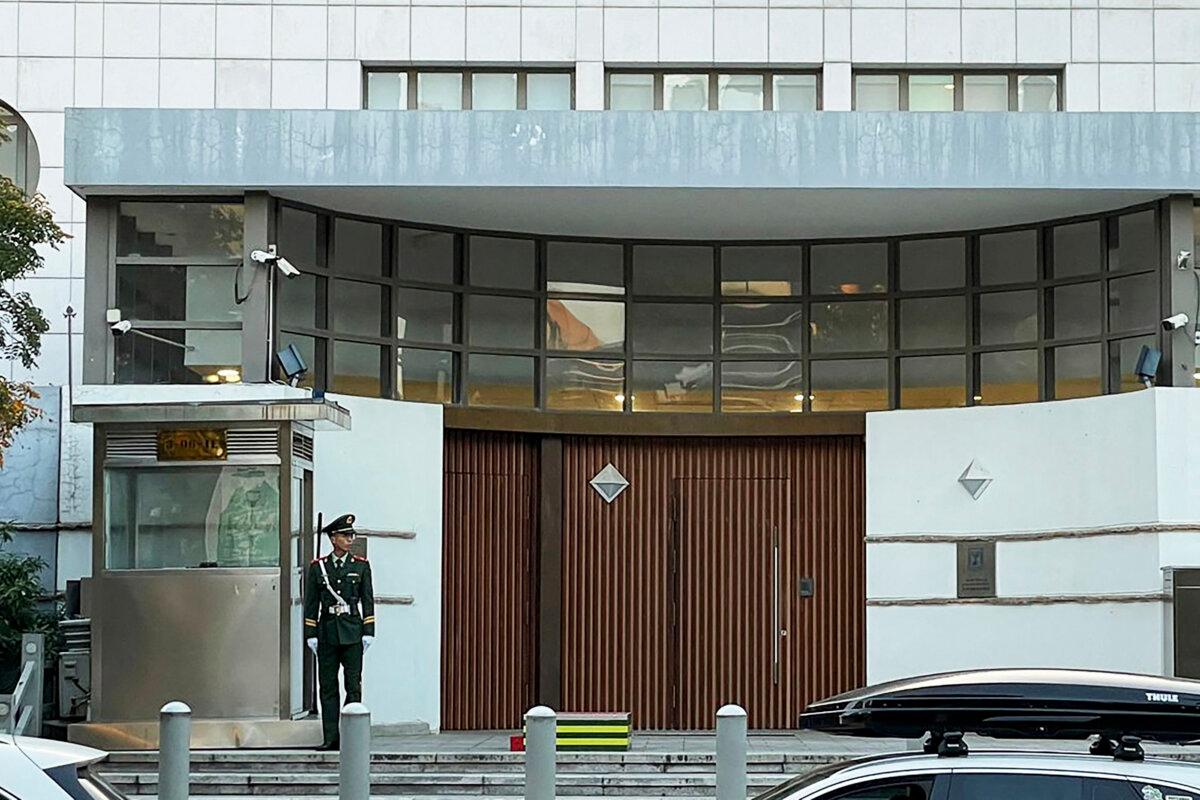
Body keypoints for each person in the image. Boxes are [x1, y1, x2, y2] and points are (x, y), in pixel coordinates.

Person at [303, 513, 375, 751]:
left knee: (353, 685)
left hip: (353, 631)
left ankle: (351, 737)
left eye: (351, 535)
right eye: (345, 535)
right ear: (333, 539)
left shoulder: (360, 566)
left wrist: (368, 630)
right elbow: (311, 604)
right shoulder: (319, 567)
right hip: (327, 632)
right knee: (328, 687)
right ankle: (331, 737)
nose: (350, 539)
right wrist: (311, 634)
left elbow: (368, 600)